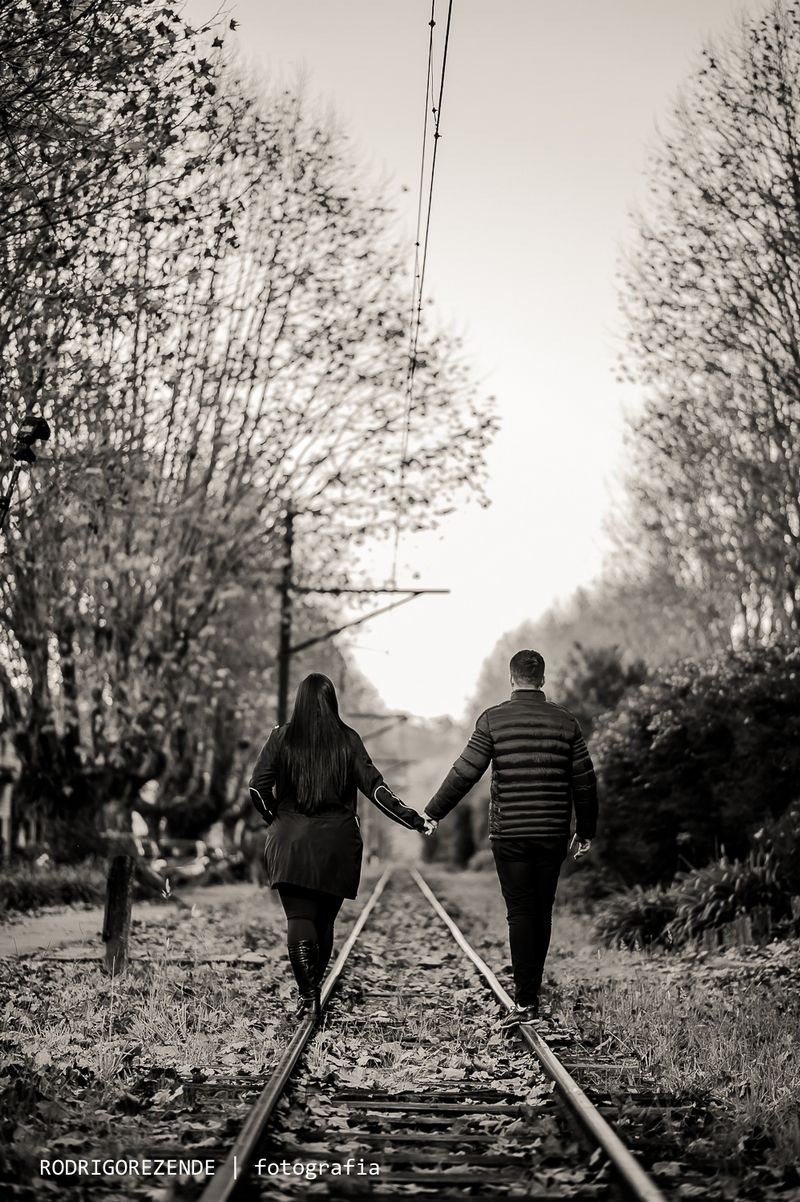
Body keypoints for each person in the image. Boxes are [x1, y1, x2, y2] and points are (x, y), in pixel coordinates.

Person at [422, 649, 598, 1028]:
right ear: (543, 679)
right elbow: (584, 780)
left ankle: (525, 1001)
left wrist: (433, 812)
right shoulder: (565, 722)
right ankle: (531, 992)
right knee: (542, 909)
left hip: (510, 833)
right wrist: (586, 830)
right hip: (552, 833)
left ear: (512, 677)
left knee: (519, 911)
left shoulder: (493, 720)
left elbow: (465, 772)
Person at [248, 673, 426, 1021]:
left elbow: (257, 788)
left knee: (299, 917)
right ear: (332, 702)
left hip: (290, 842)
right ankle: (314, 988)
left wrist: (276, 820)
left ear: (298, 700)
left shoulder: (281, 737)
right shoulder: (348, 740)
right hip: (337, 843)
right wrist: (414, 820)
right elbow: (376, 790)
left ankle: (308, 997)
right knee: (324, 923)